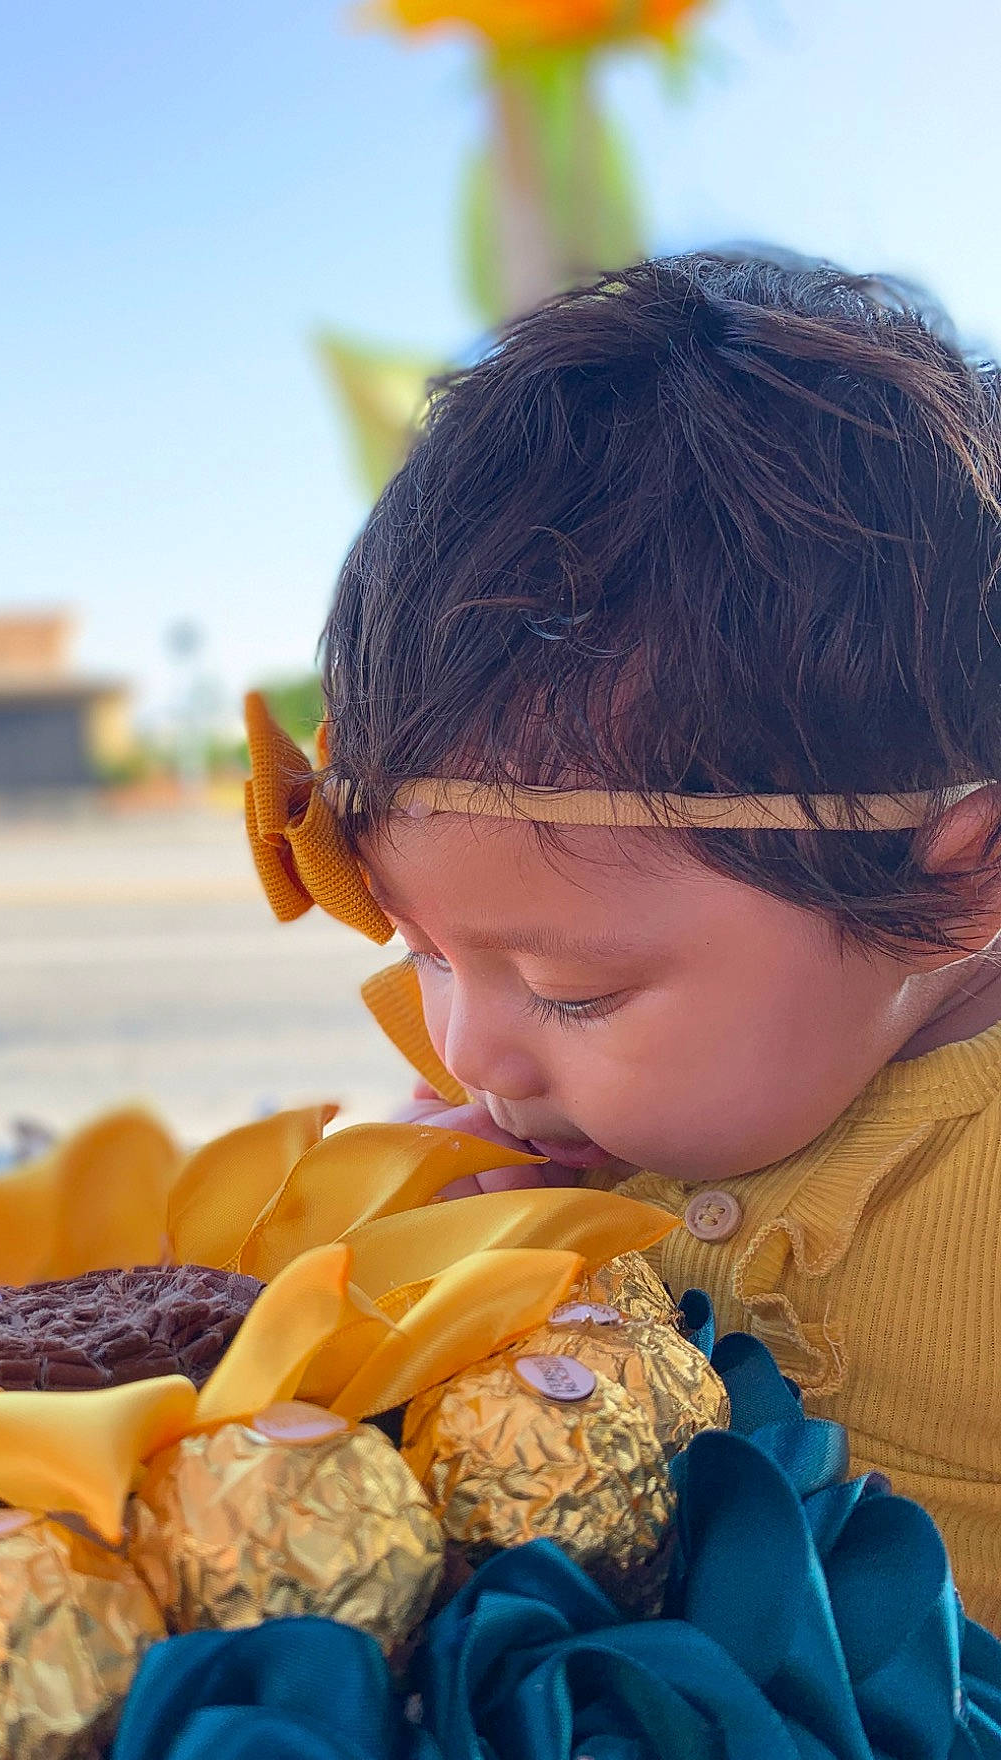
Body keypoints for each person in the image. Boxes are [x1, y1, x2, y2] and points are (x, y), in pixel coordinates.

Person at [295, 252, 1001, 1625]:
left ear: (963, 884)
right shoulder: (583, 1125)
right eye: (430, 953)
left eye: (572, 988)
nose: (469, 1045)